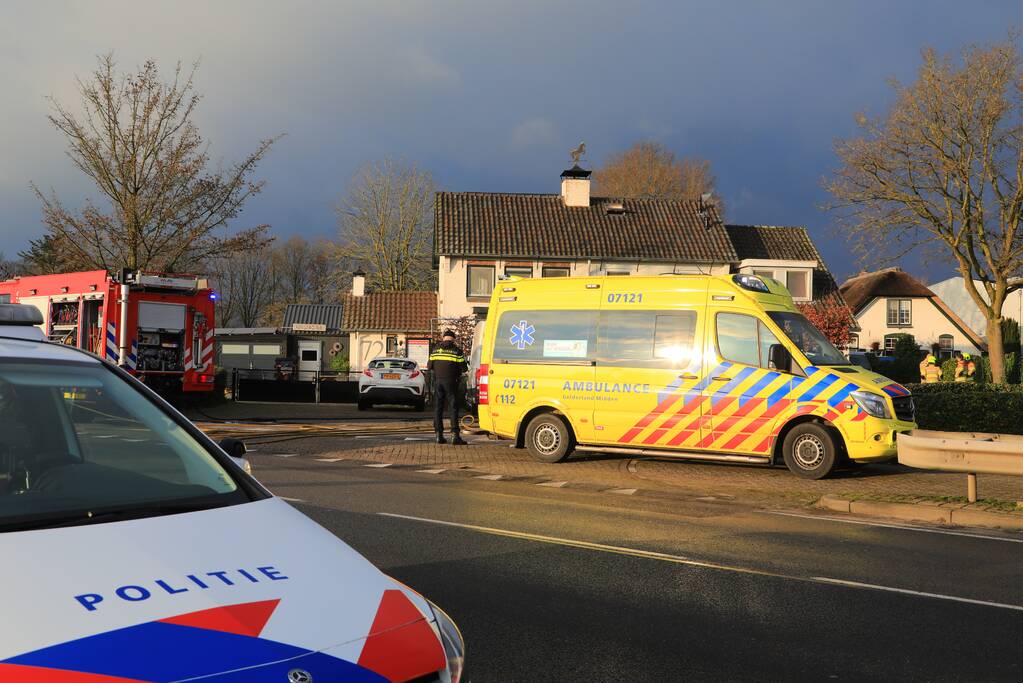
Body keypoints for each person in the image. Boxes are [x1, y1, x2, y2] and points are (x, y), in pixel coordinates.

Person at [428, 329, 468, 445]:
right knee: (453, 408)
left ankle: (438, 436)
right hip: (451, 382)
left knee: (438, 408)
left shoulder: (435, 350)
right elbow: (464, 368)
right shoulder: (457, 351)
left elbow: (429, 366)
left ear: (443, 338)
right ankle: (455, 436)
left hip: (438, 382)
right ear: (453, 339)